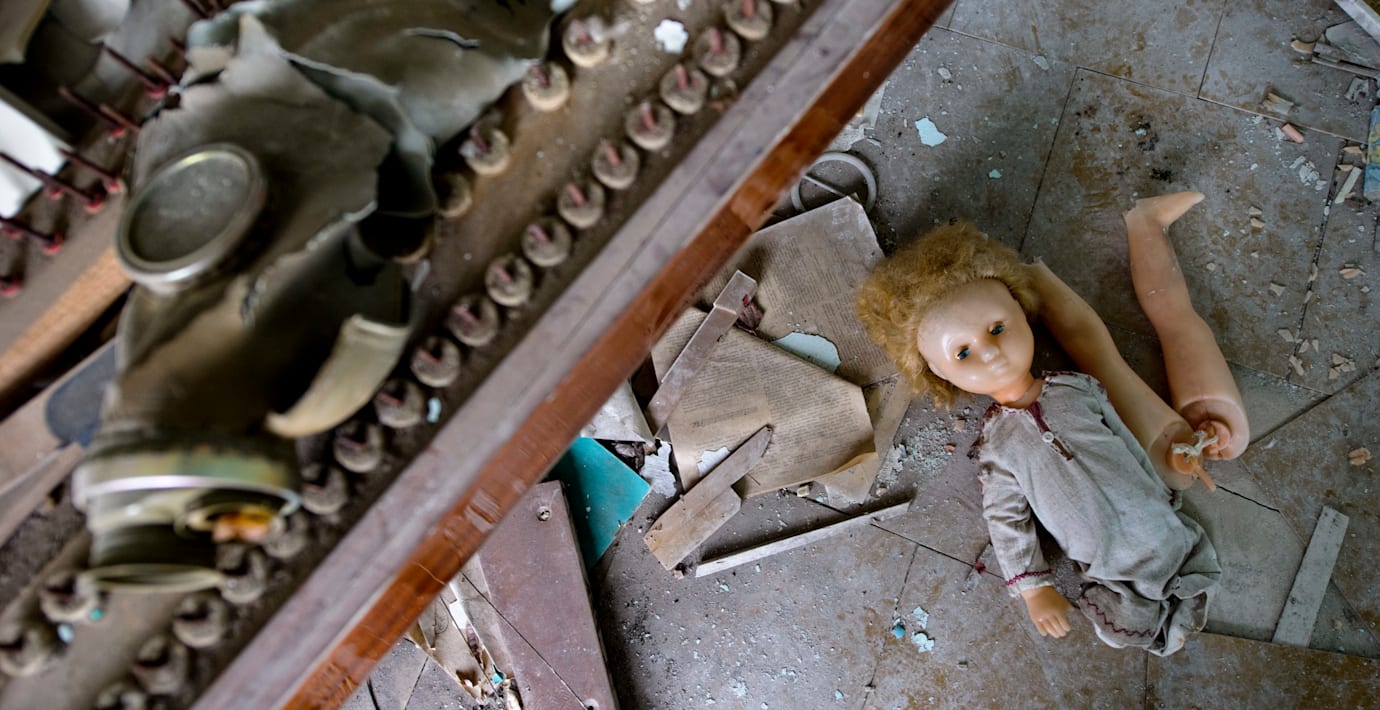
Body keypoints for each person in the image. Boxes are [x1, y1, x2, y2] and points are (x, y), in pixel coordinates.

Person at [853, 193, 1245, 655]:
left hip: (1154, 520)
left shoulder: (1078, 388)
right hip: (1104, 561)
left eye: (997, 328)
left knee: (1176, 544)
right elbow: (1007, 521)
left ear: (1023, 313)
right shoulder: (997, 449)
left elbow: (1123, 435)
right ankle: (1151, 612)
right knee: (1123, 617)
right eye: (962, 353)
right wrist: (1032, 586)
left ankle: (1182, 580)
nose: (991, 353)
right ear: (938, 373)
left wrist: (1160, 481)